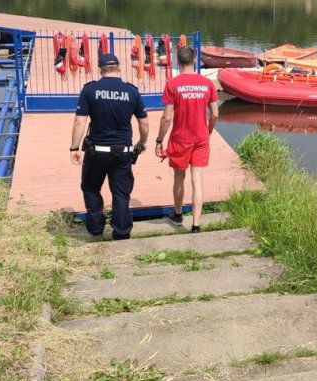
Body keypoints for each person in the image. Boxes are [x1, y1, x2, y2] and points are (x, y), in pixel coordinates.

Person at [70, 53, 149, 240]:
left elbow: (80, 122)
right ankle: (121, 233)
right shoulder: (131, 91)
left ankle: (96, 228)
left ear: (100, 69)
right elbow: (143, 123)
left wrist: (74, 148)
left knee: (90, 189)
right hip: (123, 153)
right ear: (119, 68)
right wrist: (142, 142)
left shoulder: (90, 90)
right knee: (121, 193)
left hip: (96, 152)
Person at [155, 46, 218, 233]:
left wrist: (159, 140)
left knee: (179, 178)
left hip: (180, 138)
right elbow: (214, 114)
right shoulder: (207, 84)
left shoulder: (173, 84)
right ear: (194, 59)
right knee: (197, 179)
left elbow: (167, 117)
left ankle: (178, 214)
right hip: (200, 137)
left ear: (177, 61)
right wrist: (208, 132)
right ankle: (196, 225)